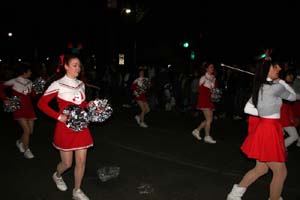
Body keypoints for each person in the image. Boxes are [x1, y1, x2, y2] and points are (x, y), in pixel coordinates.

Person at [227, 59, 296, 200]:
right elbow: (294, 97)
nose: (279, 69)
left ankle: (234, 195)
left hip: (267, 127)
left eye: (278, 67)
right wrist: (283, 83)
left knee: (261, 169)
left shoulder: (260, 87)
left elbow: (247, 108)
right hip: (269, 129)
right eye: (275, 67)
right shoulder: (276, 87)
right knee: (280, 172)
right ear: (266, 70)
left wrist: (264, 114)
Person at [37, 54, 93, 200]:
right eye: (74, 65)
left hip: (81, 127)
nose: (78, 68)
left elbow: (82, 104)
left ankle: (77, 190)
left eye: (79, 65)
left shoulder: (81, 84)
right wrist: (58, 116)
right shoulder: (58, 84)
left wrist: (90, 105)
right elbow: (41, 104)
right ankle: (57, 175)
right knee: (67, 163)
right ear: (66, 66)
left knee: (81, 161)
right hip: (65, 128)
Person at [0, 63, 36, 159]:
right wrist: (5, 99)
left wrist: (38, 88)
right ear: (24, 72)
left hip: (29, 109)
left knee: (30, 131)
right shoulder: (14, 81)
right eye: (29, 71)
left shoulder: (29, 82)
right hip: (18, 108)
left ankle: (20, 142)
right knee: (27, 130)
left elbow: (34, 95)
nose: (31, 72)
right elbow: (0, 88)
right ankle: (26, 150)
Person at [192, 62, 217, 144]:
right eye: (210, 67)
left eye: (213, 67)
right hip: (204, 100)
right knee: (209, 119)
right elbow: (199, 90)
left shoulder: (213, 78)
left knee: (209, 119)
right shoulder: (203, 78)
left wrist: (214, 92)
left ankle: (197, 130)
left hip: (210, 101)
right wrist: (207, 85)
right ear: (206, 69)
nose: (212, 69)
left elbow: (214, 90)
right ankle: (207, 136)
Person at [280, 70, 299, 148]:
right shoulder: (281, 85)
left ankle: (277, 150)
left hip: (285, 111)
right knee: (294, 136)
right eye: (289, 75)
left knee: (281, 135)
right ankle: (279, 149)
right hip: (282, 111)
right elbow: (293, 97)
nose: (291, 77)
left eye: (292, 75)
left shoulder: (287, 85)